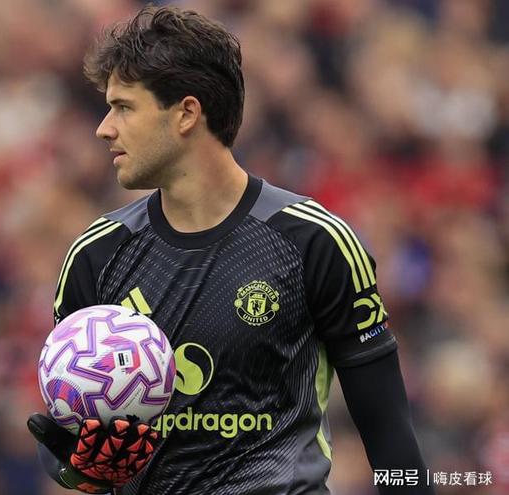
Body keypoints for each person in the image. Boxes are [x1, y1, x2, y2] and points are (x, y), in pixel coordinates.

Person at [27, 5, 434, 494]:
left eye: (124, 107)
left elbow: (391, 439)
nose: (104, 128)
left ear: (186, 113)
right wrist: (79, 467)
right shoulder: (96, 255)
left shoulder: (315, 242)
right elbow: (64, 442)